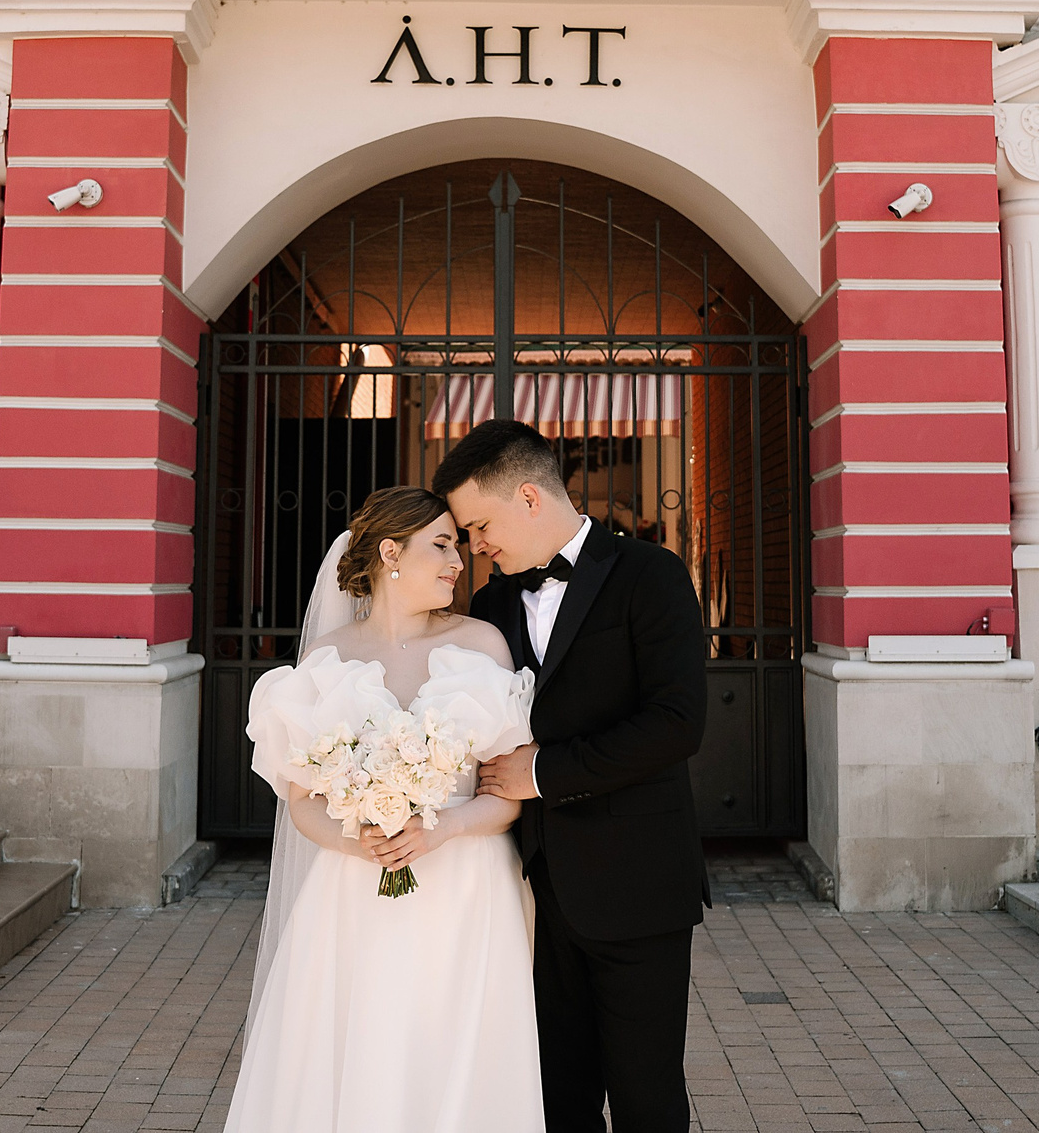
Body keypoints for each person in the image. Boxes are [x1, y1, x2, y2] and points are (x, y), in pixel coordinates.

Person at [226, 486, 543, 1133]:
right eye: (442, 544)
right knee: (360, 1049)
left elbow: (506, 796)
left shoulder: (482, 645)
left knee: (458, 1054)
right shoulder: (326, 659)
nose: (459, 560)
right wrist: (355, 840)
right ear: (390, 551)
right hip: (354, 895)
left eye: (458, 544)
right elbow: (302, 804)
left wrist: (444, 825)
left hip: (465, 892)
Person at [438, 420, 708, 1133]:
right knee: (558, 1098)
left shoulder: (651, 574)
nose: (475, 547)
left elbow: (677, 723)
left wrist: (544, 773)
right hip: (537, 894)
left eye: (478, 526)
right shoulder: (491, 608)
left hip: (639, 888)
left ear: (528, 496)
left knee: (647, 1098)